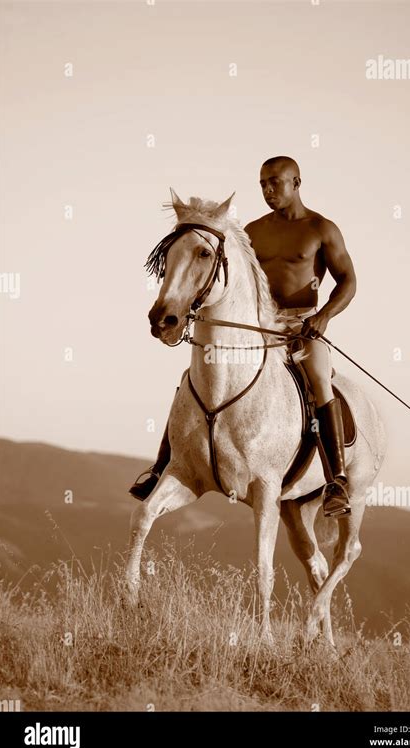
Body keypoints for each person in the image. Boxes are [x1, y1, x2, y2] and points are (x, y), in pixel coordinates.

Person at [130, 156, 356, 518]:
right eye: (263, 184)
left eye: (276, 183)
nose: (268, 190)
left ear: (297, 183)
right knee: (194, 378)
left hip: (301, 326)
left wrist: (324, 317)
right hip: (255, 328)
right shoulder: (252, 231)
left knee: (318, 380)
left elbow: (348, 281)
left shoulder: (322, 229)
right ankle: (162, 467)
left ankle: (336, 482)